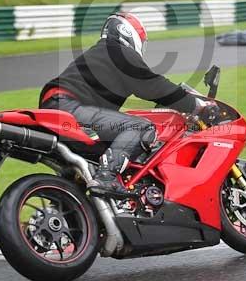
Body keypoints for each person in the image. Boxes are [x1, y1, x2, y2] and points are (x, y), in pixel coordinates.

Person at [39, 12, 214, 198]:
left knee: (102, 153)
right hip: (67, 108)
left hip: (60, 108)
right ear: (129, 33)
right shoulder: (117, 51)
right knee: (140, 127)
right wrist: (195, 105)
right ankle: (107, 177)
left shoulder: (103, 54)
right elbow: (153, 86)